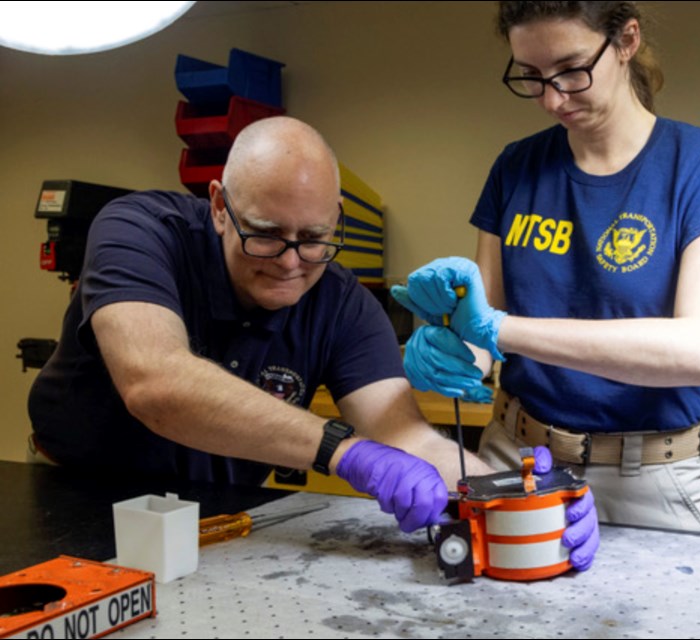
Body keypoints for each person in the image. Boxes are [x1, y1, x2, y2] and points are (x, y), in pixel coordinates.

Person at [392, 1, 700, 533]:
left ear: (627, 41)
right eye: (532, 76)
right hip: (514, 457)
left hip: (648, 480)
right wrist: (454, 350)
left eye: (571, 70)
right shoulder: (515, 168)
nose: (551, 98)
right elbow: (485, 325)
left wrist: (501, 330)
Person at [27, 116, 498, 534]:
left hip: (219, 512)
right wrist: (342, 450)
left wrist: (507, 500)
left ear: (336, 218)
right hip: (74, 496)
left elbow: (402, 434)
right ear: (218, 207)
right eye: (266, 234)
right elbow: (156, 382)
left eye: (314, 238)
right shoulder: (140, 232)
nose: (291, 262)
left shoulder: (341, 303)